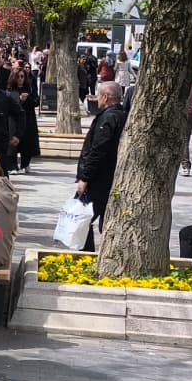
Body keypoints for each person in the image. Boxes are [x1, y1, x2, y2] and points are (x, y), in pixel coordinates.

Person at [75, 81, 126, 253]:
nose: (96, 99)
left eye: (98, 95)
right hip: (112, 177)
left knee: (81, 217)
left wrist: (85, 178)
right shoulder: (123, 115)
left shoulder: (109, 117)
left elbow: (98, 150)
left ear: (105, 97)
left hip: (99, 179)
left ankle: (86, 254)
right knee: (104, 219)